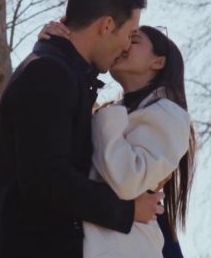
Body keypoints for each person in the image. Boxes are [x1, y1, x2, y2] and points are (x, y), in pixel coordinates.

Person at [0, 0, 164, 258]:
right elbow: (46, 179)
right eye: (129, 35)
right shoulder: (49, 73)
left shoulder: (60, 73)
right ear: (106, 25)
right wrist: (127, 210)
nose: (126, 47)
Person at [38, 21, 196, 258]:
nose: (124, 45)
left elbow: (126, 180)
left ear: (158, 61)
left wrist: (104, 117)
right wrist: (52, 47)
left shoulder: (169, 115)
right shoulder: (113, 114)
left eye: (134, 40)